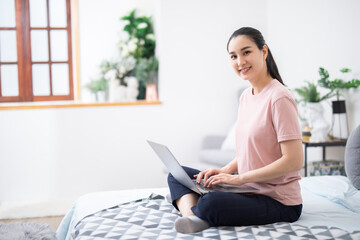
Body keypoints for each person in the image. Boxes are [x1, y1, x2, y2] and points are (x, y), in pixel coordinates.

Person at [167, 27, 304, 234]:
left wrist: (239, 178)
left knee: (211, 202)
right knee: (177, 175)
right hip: (248, 189)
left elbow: (293, 160)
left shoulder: (279, 98)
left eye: (246, 52)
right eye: (233, 56)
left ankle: (192, 207)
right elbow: (251, 150)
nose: (240, 62)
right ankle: (194, 217)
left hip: (278, 200)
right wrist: (225, 171)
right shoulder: (246, 97)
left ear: (264, 52)